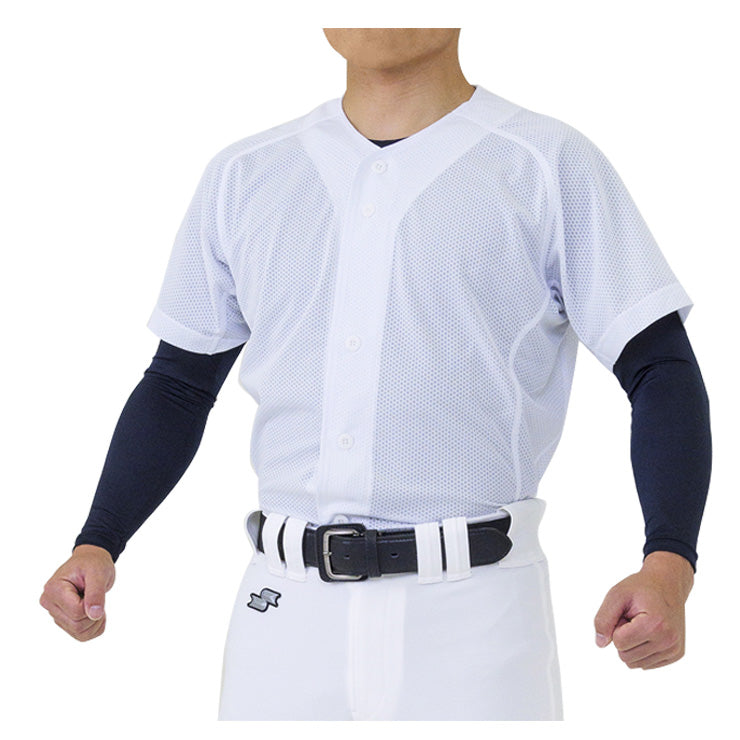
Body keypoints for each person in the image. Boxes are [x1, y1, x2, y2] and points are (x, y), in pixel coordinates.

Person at [39, 28, 711, 720]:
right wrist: (99, 539)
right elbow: (178, 385)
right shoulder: (245, 174)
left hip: (475, 621)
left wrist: (669, 562)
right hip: (283, 619)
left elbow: (659, 369)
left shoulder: (546, 162)